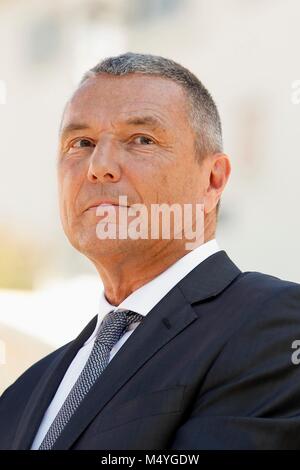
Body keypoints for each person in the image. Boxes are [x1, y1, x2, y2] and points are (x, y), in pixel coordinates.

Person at [1, 52, 300, 450]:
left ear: (212, 181)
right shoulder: (21, 395)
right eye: (81, 142)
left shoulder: (276, 326)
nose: (99, 166)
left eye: (141, 140)